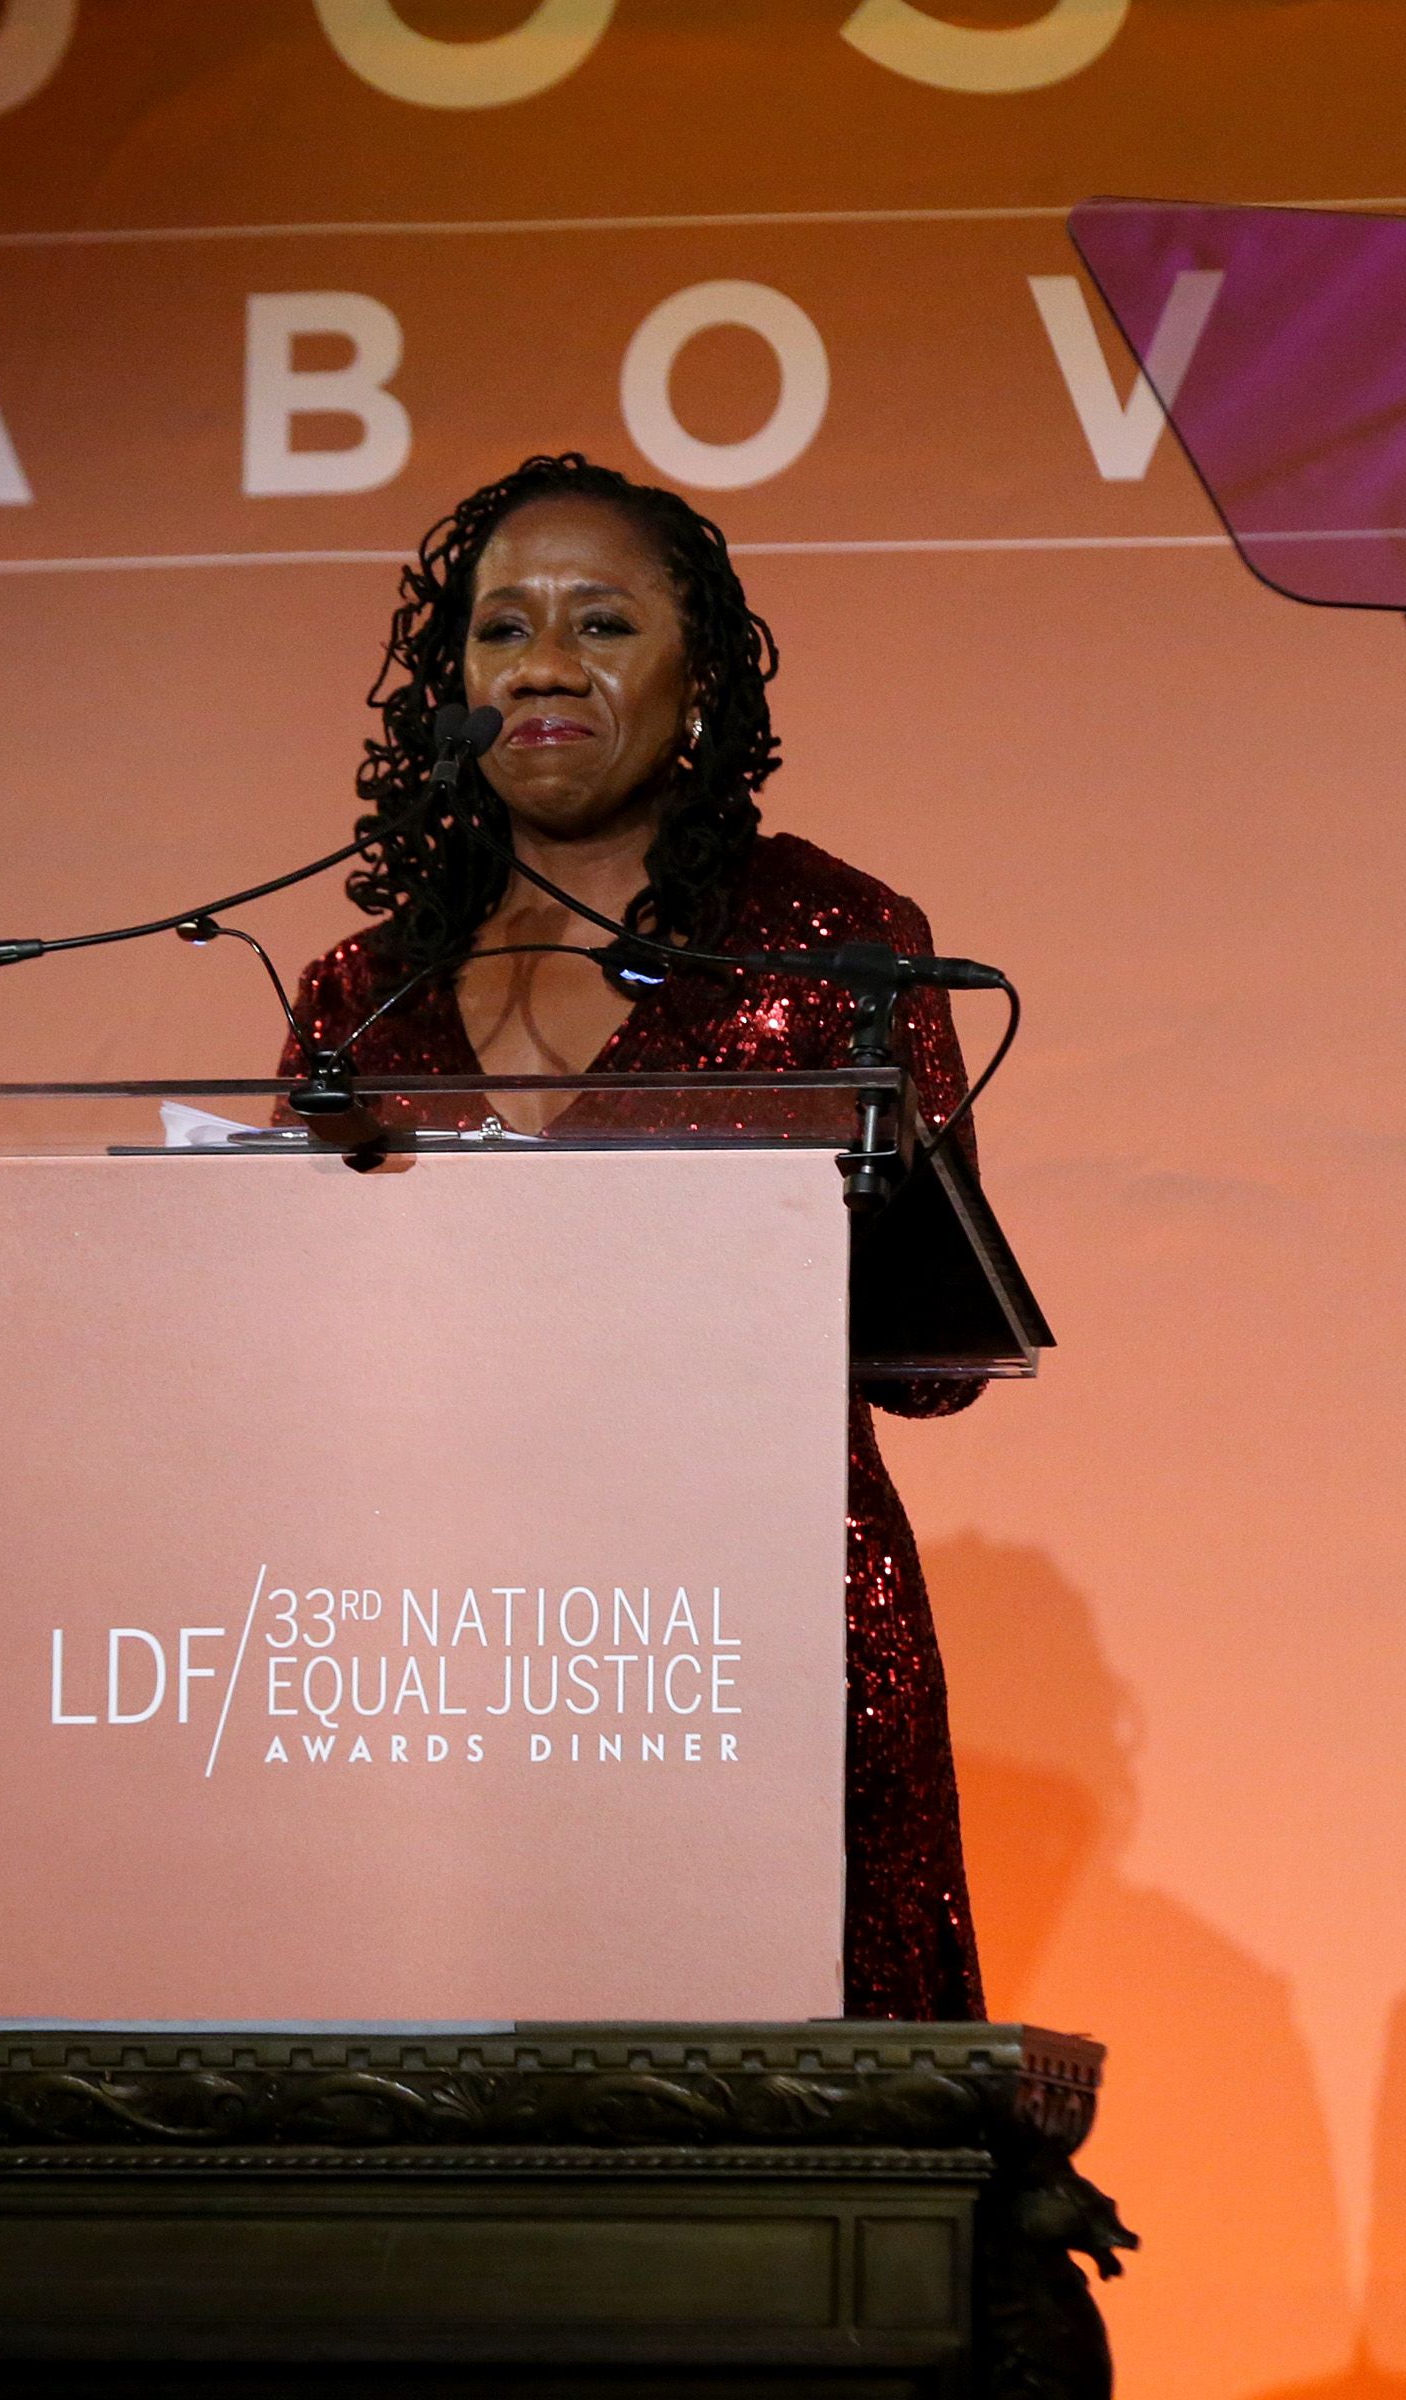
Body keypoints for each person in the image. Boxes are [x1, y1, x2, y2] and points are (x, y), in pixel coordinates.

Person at [279, 452, 990, 2020]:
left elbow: (932, 1366)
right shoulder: (359, 991)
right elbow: (281, 1349)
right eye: (499, 628)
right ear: (445, 683)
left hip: (765, 1636)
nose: (540, 662)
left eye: (601, 624)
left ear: (701, 681)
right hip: (438, 1653)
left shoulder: (835, 943)